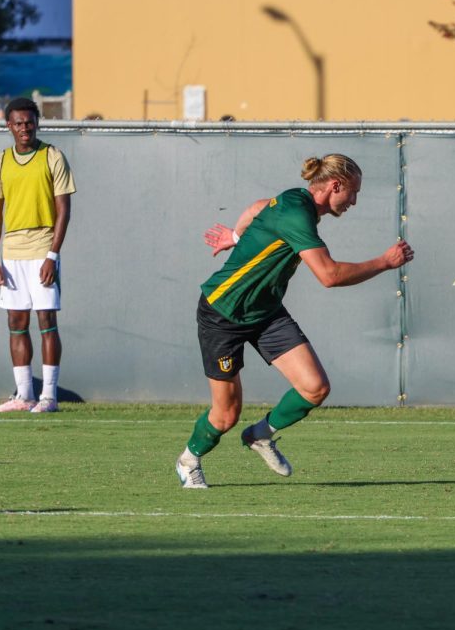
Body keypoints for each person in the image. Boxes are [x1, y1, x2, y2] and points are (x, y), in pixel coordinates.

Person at [175, 154, 415, 488]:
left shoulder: (294, 200)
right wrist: (384, 262)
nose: (354, 202)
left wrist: (235, 234)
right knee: (226, 414)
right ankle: (189, 460)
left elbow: (259, 206)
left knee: (315, 388)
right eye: (353, 192)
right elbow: (329, 275)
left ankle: (260, 435)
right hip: (223, 313)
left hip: (266, 312)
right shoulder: (297, 214)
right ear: (335, 185)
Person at [0, 97, 75, 413]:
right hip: (12, 251)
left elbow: (64, 210)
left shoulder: (52, 156)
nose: (25, 128)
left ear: (38, 122)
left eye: (30, 122)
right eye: (18, 123)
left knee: (46, 320)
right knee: (16, 321)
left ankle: (48, 397)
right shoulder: (0, 162)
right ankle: (24, 396)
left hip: (42, 247)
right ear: (9, 125)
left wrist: (53, 254)